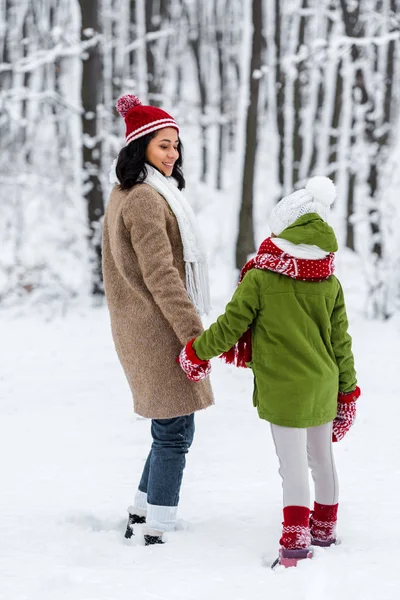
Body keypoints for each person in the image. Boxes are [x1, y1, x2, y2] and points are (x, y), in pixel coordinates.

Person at [177, 176, 360, 567]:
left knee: (292, 466)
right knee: (321, 459)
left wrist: (197, 352)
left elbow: (230, 327)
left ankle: (295, 545)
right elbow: (341, 344)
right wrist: (348, 393)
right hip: (324, 384)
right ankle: (324, 530)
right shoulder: (329, 281)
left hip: (284, 388)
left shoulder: (260, 276)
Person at [102, 94, 214, 546]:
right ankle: (157, 530)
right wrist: (194, 335)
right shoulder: (147, 199)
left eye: (175, 146)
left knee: (169, 425)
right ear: (141, 146)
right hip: (156, 329)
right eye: (163, 145)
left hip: (139, 325)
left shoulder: (126, 192)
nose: (173, 154)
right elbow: (162, 274)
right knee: (174, 431)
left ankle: (142, 509)